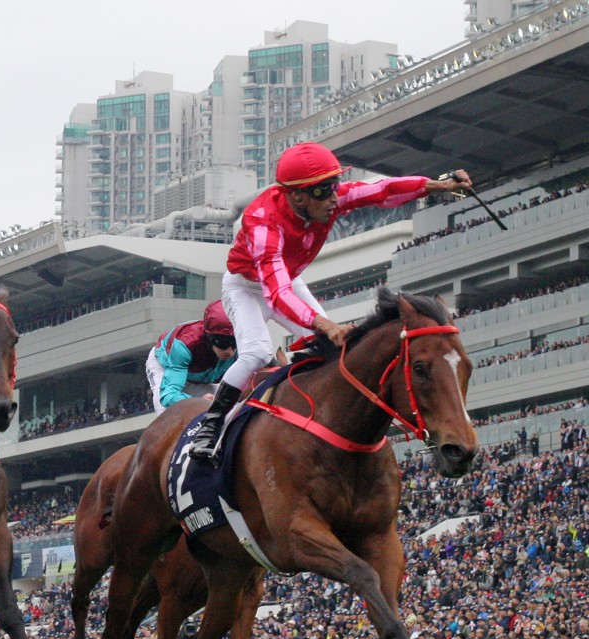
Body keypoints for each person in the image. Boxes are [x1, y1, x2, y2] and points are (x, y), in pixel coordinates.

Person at [188, 142, 473, 460]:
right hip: (246, 288)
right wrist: (324, 323)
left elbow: (382, 190)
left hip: (286, 279)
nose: (335, 196)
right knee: (257, 351)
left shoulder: (328, 199)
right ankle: (210, 426)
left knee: (333, 350)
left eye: (335, 185)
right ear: (297, 195)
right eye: (325, 190)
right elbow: (276, 294)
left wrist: (440, 184)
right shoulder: (263, 223)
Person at [145, 300, 237, 413]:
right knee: (167, 411)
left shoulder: (245, 347)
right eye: (224, 342)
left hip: (201, 378)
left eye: (235, 343)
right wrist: (198, 402)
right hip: (165, 369)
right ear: (209, 337)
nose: (230, 351)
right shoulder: (185, 344)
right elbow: (169, 396)